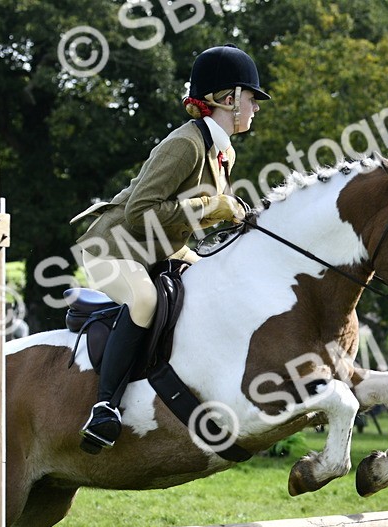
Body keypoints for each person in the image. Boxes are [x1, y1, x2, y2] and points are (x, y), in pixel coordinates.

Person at [73, 44, 269, 453]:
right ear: (227, 99)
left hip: (158, 250)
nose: (255, 108)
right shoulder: (185, 144)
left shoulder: (221, 151)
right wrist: (213, 206)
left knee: (214, 284)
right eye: (251, 98)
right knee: (143, 300)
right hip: (110, 248)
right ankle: (105, 408)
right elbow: (140, 212)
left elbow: (187, 219)